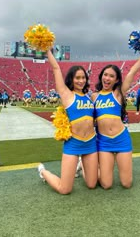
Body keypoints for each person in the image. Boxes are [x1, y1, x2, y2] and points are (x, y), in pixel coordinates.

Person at [38, 50, 98, 194]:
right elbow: (56, 68)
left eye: (83, 77)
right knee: (64, 190)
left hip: (90, 143)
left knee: (91, 184)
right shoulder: (66, 94)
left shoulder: (90, 97)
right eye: (77, 78)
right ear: (71, 79)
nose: (81, 81)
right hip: (73, 143)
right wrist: (47, 50)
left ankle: (80, 165)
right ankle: (43, 172)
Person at [92, 55, 140, 189]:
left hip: (121, 139)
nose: (107, 78)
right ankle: (88, 168)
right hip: (103, 142)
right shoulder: (94, 96)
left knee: (126, 184)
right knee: (106, 185)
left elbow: (132, 72)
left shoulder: (118, 93)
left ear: (116, 80)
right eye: (105, 74)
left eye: (111, 76)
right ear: (101, 76)